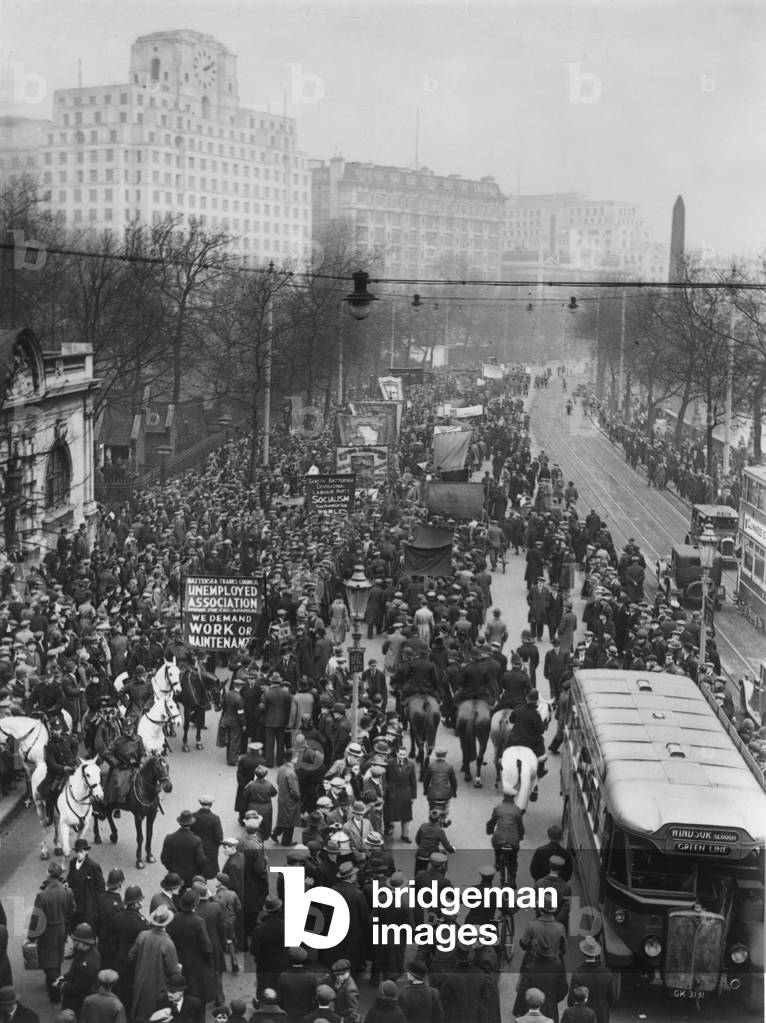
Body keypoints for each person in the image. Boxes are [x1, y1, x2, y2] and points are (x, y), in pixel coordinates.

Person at [28, 862, 76, 1002]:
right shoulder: (67, 891)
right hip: (61, 929)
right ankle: (53, 983)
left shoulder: (42, 895)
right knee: (57, 957)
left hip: (47, 932)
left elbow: (37, 918)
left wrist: (31, 937)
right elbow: (72, 910)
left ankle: (56, 988)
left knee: (48, 960)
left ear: (48, 873)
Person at [127, 905, 181, 1023]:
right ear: (167, 923)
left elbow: (131, 956)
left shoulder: (143, 935)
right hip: (158, 986)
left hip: (140, 983)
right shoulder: (168, 943)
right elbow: (174, 970)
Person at [166, 888, 217, 1009]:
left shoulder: (174, 918)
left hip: (179, 961)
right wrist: (209, 962)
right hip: (196, 965)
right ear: (196, 904)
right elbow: (206, 946)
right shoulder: (198, 922)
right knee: (198, 997)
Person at [37, 715, 79, 825]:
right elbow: (51, 764)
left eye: (59, 729)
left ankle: (95, 808)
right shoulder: (49, 745)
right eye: (55, 730)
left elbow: (76, 745)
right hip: (57, 773)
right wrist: (63, 768)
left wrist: (72, 758)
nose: (58, 731)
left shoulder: (67, 738)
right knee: (51, 792)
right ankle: (49, 814)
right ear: (51, 730)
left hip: (72, 767)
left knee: (87, 781)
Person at [437, 945, 491, 1023]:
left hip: (455, 1017)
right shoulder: (481, 974)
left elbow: (443, 1002)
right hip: (476, 1016)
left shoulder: (449, 977)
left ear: (456, 959)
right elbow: (485, 998)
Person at [101, 717, 145, 810]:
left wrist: (141, 762)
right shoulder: (118, 741)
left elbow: (143, 753)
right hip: (123, 768)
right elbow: (106, 753)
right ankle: (118, 804)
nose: (128, 732)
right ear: (123, 730)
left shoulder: (138, 740)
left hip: (136, 767)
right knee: (118, 782)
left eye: (130, 729)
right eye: (126, 730)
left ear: (133, 728)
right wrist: (116, 763)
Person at [59, 923, 102, 1016]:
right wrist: (63, 977)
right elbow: (73, 971)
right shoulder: (88, 951)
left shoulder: (87, 964)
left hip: (77, 1003)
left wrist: (63, 987)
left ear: (82, 942)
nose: (73, 943)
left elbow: (78, 988)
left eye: (75, 940)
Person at [567, 938, 614, 1023]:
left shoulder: (577, 974)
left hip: (583, 1016)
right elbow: (611, 998)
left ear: (583, 953)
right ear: (596, 954)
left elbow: (571, 1000)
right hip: (602, 1014)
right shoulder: (607, 973)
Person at [160, 810, 208, 887]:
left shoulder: (169, 838)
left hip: (174, 875)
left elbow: (164, 858)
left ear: (179, 823)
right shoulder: (196, 840)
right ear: (191, 823)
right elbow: (201, 860)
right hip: (191, 876)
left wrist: (171, 868)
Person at [67, 839, 106, 932]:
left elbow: (101, 887)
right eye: (77, 852)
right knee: (74, 927)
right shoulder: (72, 863)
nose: (79, 854)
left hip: (87, 905)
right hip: (75, 902)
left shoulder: (93, 866)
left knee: (88, 929)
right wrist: (66, 882)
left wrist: (96, 905)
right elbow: (70, 878)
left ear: (86, 852)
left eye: (81, 851)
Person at [485, 792, 524, 884]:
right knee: (514, 857)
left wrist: (489, 830)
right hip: (513, 840)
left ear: (504, 796)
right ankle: (513, 878)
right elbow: (521, 827)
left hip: (499, 839)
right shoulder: (517, 810)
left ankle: (498, 863)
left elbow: (492, 822)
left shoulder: (498, 808)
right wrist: (520, 837)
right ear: (513, 797)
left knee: (497, 849)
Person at [190, 795, 224, 879]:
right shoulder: (215, 818)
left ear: (200, 803)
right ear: (211, 805)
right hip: (210, 849)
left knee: (196, 868)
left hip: (195, 847)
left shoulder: (193, 816)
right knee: (207, 870)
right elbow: (219, 837)